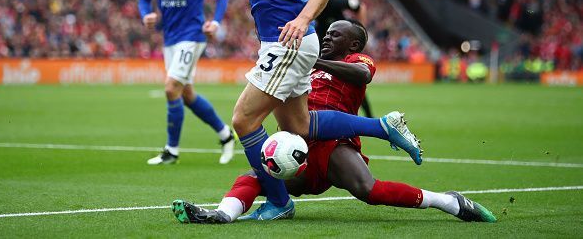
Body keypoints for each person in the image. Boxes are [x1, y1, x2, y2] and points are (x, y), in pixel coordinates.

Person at [212, 0, 422, 220]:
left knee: (244, 121)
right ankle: (382, 126)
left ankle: (279, 202)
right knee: (300, 126)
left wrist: (303, 18)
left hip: (288, 43)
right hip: (278, 42)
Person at [171, 20, 496, 223]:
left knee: (368, 190)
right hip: (296, 145)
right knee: (255, 176)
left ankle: (447, 202)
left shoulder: (357, 59)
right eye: (325, 34)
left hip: (335, 144)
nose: (326, 38)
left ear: (352, 44)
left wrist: (315, 59)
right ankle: (222, 215)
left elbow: (362, 74)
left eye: (334, 35)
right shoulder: (304, 67)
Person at [138, 0, 235, 165]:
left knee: (171, 88)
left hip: (192, 35)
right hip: (169, 37)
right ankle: (226, 135)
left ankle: (172, 151)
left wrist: (215, 20)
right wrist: (146, 13)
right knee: (186, 94)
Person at [314, 0, 374, 118]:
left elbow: (360, 6)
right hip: (322, 54)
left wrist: (361, 32)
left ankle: (370, 118)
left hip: (339, 52)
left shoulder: (336, 2)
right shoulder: (307, 6)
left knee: (353, 86)